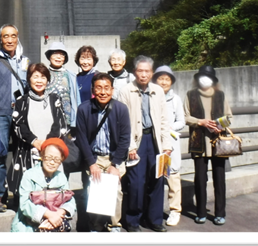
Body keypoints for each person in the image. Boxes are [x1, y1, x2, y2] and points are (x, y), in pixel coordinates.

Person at [118, 56, 171, 232]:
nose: (143, 74)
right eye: (140, 71)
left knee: (157, 180)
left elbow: (164, 120)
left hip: (155, 140)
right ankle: (133, 220)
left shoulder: (158, 91)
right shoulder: (126, 91)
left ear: (152, 73)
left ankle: (154, 219)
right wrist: (130, 146)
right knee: (136, 183)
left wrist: (166, 144)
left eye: (147, 71)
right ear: (135, 72)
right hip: (137, 141)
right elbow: (122, 122)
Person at [0, 24, 29, 212]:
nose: (10, 40)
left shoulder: (25, 61)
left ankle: (19, 194)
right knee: (0, 155)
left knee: (21, 156)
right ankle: (0, 195)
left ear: (18, 38)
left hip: (21, 114)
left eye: (13, 36)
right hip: (0, 114)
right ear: (0, 39)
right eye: (5, 36)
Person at [75, 72, 130, 232]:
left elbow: (125, 138)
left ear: (112, 90)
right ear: (93, 89)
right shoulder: (84, 109)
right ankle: (96, 226)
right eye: (99, 88)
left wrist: (115, 164)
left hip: (114, 157)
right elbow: (81, 138)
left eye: (107, 88)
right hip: (95, 157)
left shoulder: (121, 109)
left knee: (116, 192)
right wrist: (91, 163)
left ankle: (115, 226)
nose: (103, 92)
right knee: (95, 192)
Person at [8, 63, 69, 198]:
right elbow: (18, 125)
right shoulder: (21, 101)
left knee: (53, 194)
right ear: (29, 79)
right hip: (29, 151)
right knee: (30, 192)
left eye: (42, 77)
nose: (39, 81)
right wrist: (34, 141)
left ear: (47, 80)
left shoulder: (55, 99)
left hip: (51, 151)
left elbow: (60, 124)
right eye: (35, 77)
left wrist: (47, 145)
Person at [184, 65, 233, 226]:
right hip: (199, 142)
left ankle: (220, 213)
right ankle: (201, 212)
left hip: (218, 142)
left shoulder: (220, 95)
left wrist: (218, 125)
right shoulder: (190, 95)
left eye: (208, 76)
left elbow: (229, 116)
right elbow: (185, 116)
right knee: (200, 179)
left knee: (219, 179)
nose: (204, 79)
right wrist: (200, 122)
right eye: (202, 76)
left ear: (213, 80)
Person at [11, 138, 77, 232]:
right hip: (28, 225)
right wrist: (48, 214)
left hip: (55, 223)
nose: (52, 162)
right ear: (42, 155)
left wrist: (59, 214)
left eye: (56, 159)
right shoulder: (29, 175)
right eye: (49, 157)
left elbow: (70, 200)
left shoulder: (61, 177)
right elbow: (24, 204)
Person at [152, 65, 185, 226]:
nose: (164, 82)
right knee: (155, 178)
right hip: (154, 144)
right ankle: (153, 211)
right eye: (160, 78)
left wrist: (170, 128)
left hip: (170, 145)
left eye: (167, 79)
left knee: (172, 177)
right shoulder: (150, 96)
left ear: (171, 81)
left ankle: (174, 210)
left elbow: (182, 121)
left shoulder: (176, 99)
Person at [44, 42, 80, 129]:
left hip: (66, 121)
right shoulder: (43, 73)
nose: (59, 57)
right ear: (49, 57)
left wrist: (75, 121)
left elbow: (76, 100)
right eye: (55, 53)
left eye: (62, 55)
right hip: (47, 118)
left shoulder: (71, 75)